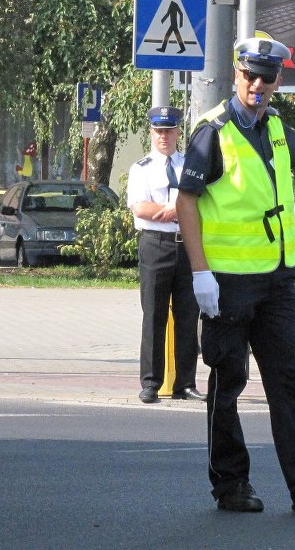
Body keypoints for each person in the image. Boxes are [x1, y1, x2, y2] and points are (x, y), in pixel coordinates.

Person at [176, 37, 295, 515]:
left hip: (276, 282)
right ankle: (230, 485)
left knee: (293, 382)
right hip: (226, 283)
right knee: (228, 382)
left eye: (267, 76)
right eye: (250, 75)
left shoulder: (276, 127)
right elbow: (186, 201)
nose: (258, 84)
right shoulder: (213, 132)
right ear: (236, 74)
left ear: (278, 79)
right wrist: (200, 273)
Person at [126, 106, 203, 404]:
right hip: (155, 245)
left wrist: (177, 211)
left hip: (188, 245)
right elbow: (140, 208)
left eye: (169, 131)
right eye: (159, 131)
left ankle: (185, 383)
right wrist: (177, 211)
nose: (164, 136)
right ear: (151, 132)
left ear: (177, 132)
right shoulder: (141, 168)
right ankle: (151, 383)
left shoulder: (189, 165)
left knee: (188, 316)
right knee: (154, 315)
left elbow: (201, 202)